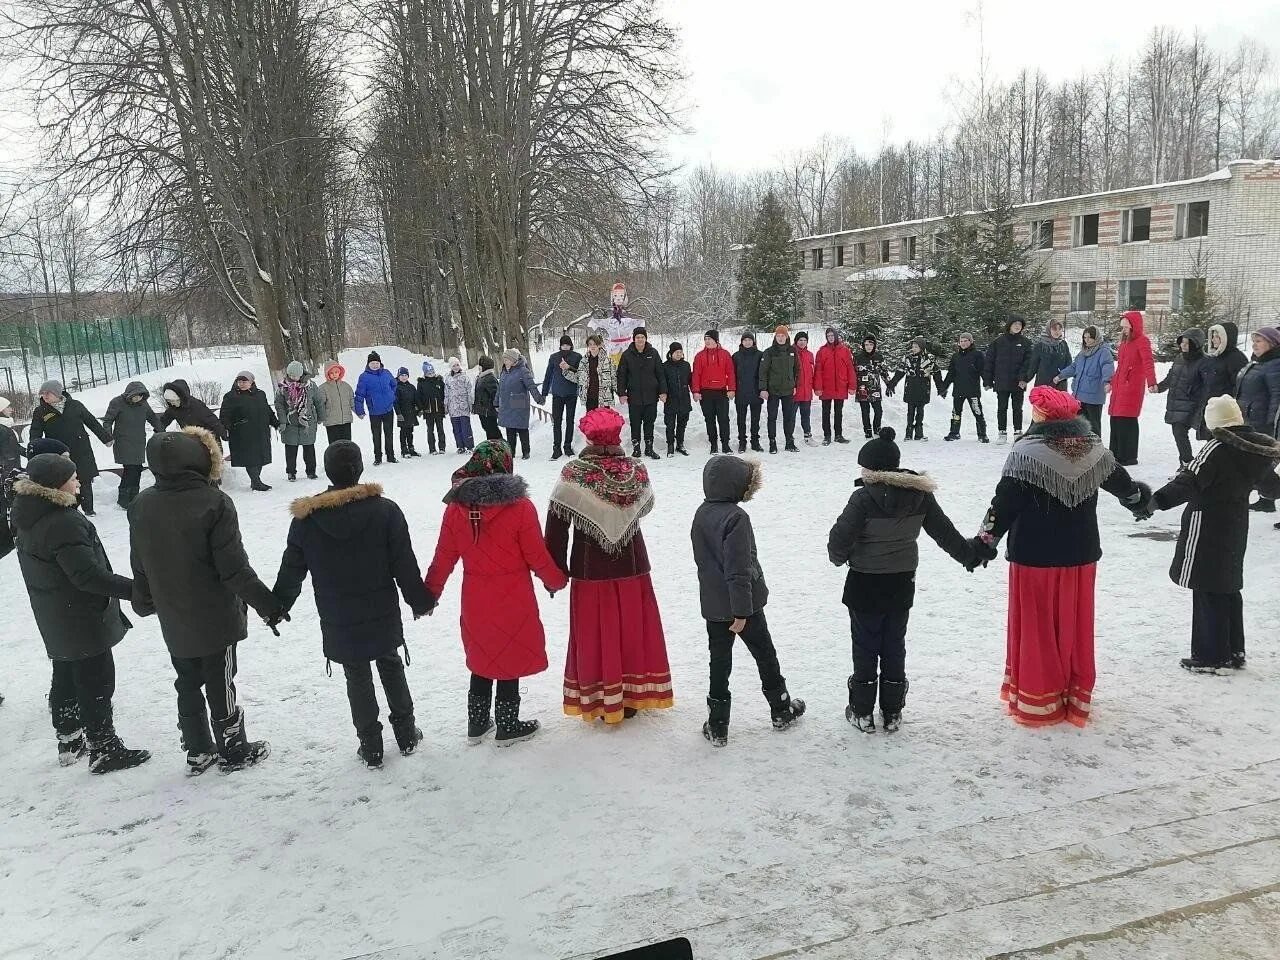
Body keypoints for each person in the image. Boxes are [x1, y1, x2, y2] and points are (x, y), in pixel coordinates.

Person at [971, 386, 1151, 728]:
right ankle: (1073, 692)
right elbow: (1124, 486)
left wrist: (984, 542)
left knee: (1037, 627)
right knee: (1075, 624)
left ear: (1041, 416)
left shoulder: (1026, 452)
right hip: (1080, 555)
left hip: (1034, 555)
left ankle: (1040, 698)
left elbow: (1004, 503)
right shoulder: (1094, 448)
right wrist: (1139, 501)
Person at [129, 427, 284, 774]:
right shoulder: (214, 502)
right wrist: (268, 604)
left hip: (173, 612)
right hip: (216, 613)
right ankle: (233, 747)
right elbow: (233, 569)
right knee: (220, 678)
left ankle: (198, 748)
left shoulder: (141, 504)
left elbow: (140, 561)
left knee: (186, 678)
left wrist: (144, 599)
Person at [272, 441, 434, 767]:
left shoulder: (307, 520)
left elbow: (292, 569)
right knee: (390, 664)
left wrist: (277, 606)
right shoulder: (385, 510)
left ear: (326, 470)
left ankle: (371, 747)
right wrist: (420, 601)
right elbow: (404, 563)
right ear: (359, 469)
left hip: (338, 614)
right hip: (381, 609)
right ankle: (406, 734)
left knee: (356, 675)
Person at [826, 427, 974, 732]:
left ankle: (862, 711)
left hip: (865, 582)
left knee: (865, 644)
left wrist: (839, 557)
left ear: (871, 468)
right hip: (901, 581)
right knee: (894, 643)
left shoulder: (863, 499)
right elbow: (945, 533)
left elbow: (839, 541)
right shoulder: (920, 497)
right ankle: (892, 712)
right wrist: (969, 556)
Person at [12, 453, 150, 773]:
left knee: (65, 672)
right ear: (56, 484)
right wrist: (138, 591)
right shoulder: (62, 520)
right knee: (96, 679)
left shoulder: (30, 514)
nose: (78, 481)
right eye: (73, 477)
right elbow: (87, 576)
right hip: (81, 615)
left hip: (55, 612)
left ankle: (69, 737)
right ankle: (104, 748)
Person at [424, 441, 568, 746]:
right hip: (513, 596)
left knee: (482, 654)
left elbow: (443, 557)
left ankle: (477, 724)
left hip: (475, 597)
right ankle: (507, 724)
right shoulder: (520, 507)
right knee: (508, 656)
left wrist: (429, 594)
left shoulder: (455, 508)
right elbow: (537, 555)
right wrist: (554, 580)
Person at [545, 408, 674, 724]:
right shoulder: (636, 471)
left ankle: (602, 696)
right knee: (632, 628)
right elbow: (644, 508)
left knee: (595, 631)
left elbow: (557, 524)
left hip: (590, 569)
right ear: (618, 437)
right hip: (632, 565)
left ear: (588, 437)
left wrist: (555, 571)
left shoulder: (573, 473)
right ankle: (631, 696)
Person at [1142, 395, 1280, 673]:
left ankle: (1211, 655)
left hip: (1206, 523)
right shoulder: (1255, 450)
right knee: (1227, 585)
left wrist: (1155, 501)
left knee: (1206, 586)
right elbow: (1273, 488)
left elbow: (1188, 481)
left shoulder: (1215, 448)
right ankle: (1233, 649)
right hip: (1236, 523)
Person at [690, 456, 806, 747]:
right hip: (744, 607)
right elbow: (738, 569)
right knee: (765, 655)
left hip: (714, 606)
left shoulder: (701, 513)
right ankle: (781, 708)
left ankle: (717, 725)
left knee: (719, 663)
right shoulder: (736, 518)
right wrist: (741, 611)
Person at [28, 380, 113, 516]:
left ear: (57, 393)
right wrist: (33, 448)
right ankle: (69, 509)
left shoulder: (75, 405)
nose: (45, 396)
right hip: (59, 452)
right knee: (63, 479)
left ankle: (88, 508)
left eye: (47, 393)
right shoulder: (40, 411)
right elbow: (35, 432)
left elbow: (92, 422)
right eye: (42, 394)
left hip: (81, 448)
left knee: (84, 478)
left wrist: (106, 438)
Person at [1236, 327, 1280, 515]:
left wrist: (1270, 425)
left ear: (1271, 344)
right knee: (1256, 463)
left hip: (1263, 423)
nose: (1254, 345)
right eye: (1253, 341)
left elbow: (1276, 396)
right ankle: (1267, 499)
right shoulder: (1257, 363)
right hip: (1249, 419)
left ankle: (1271, 493)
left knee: (1258, 464)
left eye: (1259, 341)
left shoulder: (1275, 364)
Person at [101, 381, 163, 508]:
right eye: (135, 395)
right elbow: (107, 421)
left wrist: (161, 432)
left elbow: (153, 419)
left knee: (137, 469)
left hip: (139, 441)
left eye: (140, 396)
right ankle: (124, 499)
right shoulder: (117, 402)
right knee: (130, 469)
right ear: (129, 394)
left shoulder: (143, 404)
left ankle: (133, 497)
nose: (137, 398)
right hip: (123, 441)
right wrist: (108, 436)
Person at [1107, 309, 1157, 466]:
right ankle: (1115, 454)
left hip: (1131, 387)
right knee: (1115, 420)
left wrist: (1152, 382)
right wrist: (1111, 382)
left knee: (1126, 421)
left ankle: (1128, 456)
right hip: (1120, 386)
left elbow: (1148, 362)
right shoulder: (1124, 343)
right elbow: (1120, 366)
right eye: (1123, 328)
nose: (1124, 330)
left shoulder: (1142, 341)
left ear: (1134, 326)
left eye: (1126, 327)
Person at [1156, 330, 1209, 470]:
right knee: (1178, 432)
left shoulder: (1204, 362)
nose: (1183, 346)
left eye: (1187, 343)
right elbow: (1171, 377)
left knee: (1180, 431)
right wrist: (1159, 387)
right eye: (1182, 342)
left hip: (1191, 403)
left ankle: (1188, 463)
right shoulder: (1180, 358)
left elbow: (1207, 385)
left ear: (1196, 344)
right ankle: (1186, 462)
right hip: (1176, 401)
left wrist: (1199, 400)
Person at [219, 371, 279, 491]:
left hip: (261, 432)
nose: (241, 384)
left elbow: (267, 410)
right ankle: (256, 482)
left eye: (244, 381)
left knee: (260, 457)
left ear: (252, 382)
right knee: (250, 459)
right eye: (239, 381)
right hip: (242, 433)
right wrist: (229, 428)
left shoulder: (260, 394)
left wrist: (275, 423)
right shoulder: (231, 396)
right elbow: (224, 415)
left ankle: (255, 480)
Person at [616, 327, 669, 460]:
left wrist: (663, 391)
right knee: (635, 423)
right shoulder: (627, 355)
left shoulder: (653, 353)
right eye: (637, 337)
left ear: (646, 338)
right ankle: (636, 448)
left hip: (651, 395)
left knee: (649, 422)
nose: (640, 339)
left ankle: (649, 448)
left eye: (642, 337)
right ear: (634, 339)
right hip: (634, 397)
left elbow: (660, 374)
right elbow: (621, 375)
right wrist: (622, 393)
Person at [1054, 325, 1114, 438]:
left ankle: (1095, 448)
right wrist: (1061, 375)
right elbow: (1074, 367)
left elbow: (1107, 366)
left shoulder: (1103, 352)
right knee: (1079, 425)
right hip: (1079, 396)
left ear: (1096, 338)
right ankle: (1081, 448)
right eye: (1085, 337)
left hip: (1093, 397)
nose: (1087, 340)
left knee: (1093, 426)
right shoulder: (1083, 353)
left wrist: (1107, 381)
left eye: (1090, 337)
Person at [983, 316, 1035, 442]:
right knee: (1002, 407)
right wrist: (987, 380)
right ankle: (1002, 432)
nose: (1017, 326)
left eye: (1020, 324)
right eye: (1015, 324)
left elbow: (1028, 363)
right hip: (1001, 381)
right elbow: (989, 362)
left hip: (1018, 382)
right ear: (1009, 325)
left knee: (1017, 408)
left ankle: (1018, 431)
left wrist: (1024, 379)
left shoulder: (1026, 343)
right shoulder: (998, 342)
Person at [275, 361, 325, 481]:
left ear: (301, 374)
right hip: (290, 423)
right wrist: (282, 421)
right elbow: (279, 405)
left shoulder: (311, 386)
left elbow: (318, 402)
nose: (293, 378)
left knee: (309, 449)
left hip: (307, 422)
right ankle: (291, 472)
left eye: (296, 376)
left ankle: (311, 471)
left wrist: (321, 417)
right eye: (291, 376)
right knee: (291, 450)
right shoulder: (283, 388)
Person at [886, 337, 941, 442]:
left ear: (922, 347)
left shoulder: (929, 358)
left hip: (923, 388)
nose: (914, 349)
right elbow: (899, 372)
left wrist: (941, 388)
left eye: (916, 347)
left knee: (920, 411)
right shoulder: (907, 358)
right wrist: (891, 384)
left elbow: (937, 374)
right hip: (910, 388)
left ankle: (919, 433)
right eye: (913, 346)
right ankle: (908, 433)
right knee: (910, 411)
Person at [1199, 322, 1248, 437]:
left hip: (1226, 412)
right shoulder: (1214, 357)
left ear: (1226, 338)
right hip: (1212, 408)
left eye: (1217, 336)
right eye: (1212, 336)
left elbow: (1240, 387)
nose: (1213, 339)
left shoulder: (1236, 358)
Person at [759, 325, 801, 454]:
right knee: (772, 417)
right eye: (778, 336)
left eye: (783, 336)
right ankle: (772, 442)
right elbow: (763, 372)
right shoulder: (769, 352)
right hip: (773, 390)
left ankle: (789, 442)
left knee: (788, 417)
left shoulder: (792, 351)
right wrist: (763, 388)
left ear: (787, 337)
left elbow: (797, 369)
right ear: (775, 337)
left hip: (788, 390)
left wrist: (795, 385)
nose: (781, 338)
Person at [940, 332, 989, 443]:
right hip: (958, 390)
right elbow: (951, 373)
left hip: (972, 390)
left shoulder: (977, 355)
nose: (963, 343)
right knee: (956, 412)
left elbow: (983, 370)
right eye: (961, 341)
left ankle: (982, 434)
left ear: (971, 342)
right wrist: (944, 387)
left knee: (977, 411)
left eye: (965, 341)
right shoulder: (955, 356)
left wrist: (987, 382)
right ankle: (954, 432)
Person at [354, 351, 398, 466]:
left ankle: (391, 456)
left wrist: (391, 396)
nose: (375, 365)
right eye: (372, 363)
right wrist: (360, 410)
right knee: (376, 435)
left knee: (389, 434)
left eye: (377, 363)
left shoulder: (386, 373)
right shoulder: (364, 377)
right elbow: (359, 395)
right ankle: (378, 457)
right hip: (375, 411)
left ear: (380, 363)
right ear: (368, 364)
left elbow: (394, 384)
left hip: (388, 409)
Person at [497, 348, 542, 460]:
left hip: (519, 403)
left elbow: (531, 386)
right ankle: (511, 452)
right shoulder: (503, 372)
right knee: (510, 430)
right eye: (504, 359)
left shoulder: (523, 370)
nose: (505, 361)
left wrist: (538, 398)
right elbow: (500, 389)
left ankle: (526, 451)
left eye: (507, 359)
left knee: (522, 429)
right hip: (507, 404)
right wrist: (496, 403)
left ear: (513, 360)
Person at [542, 335, 582, 460]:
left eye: (567, 345)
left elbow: (581, 373)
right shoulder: (554, 357)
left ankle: (568, 446)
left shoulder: (577, 357)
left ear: (571, 345)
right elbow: (548, 375)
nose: (565, 347)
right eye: (563, 345)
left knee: (570, 421)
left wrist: (568, 367)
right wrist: (544, 392)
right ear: (560, 345)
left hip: (571, 394)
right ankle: (556, 448)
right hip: (557, 394)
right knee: (557, 422)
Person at [813, 327, 854, 445]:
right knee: (825, 412)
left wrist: (852, 385)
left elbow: (850, 368)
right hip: (826, 387)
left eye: (832, 335)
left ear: (836, 336)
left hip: (840, 385)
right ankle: (827, 435)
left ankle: (838, 435)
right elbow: (818, 371)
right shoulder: (822, 351)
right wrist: (818, 387)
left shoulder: (845, 350)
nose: (830, 338)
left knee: (838, 412)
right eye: (828, 336)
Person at [563, 334, 616, 413]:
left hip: (604, 398)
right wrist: (566, 370)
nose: (592, 346)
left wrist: (622, 394)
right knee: (591, 422)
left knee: (604, 423)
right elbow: (578, 378)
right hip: (589, 397)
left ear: (599, 345)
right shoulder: (583, 361)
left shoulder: (608, 361)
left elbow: (614, 379)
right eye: (590, 344)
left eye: (595, 344)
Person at [160, 378, 226, 439]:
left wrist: (223, 433)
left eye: (174, 401)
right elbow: (164, 420)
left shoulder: (196, 406)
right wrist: (158, 429)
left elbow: (212, 420)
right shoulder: (173, 409)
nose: (172, 403)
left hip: (208, 438)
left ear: (180, 398)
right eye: (169, 401)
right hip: (191, 440)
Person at [732, 332, 764, 453]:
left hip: (756, 391)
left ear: (753, 341)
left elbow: (763, 373)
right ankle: (742, 442)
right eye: (745, 340)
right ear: (741, 342)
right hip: (741, 392)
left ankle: (755, 442)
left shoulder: (760, 355)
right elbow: (732, 375)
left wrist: (762, 389)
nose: (747, 342)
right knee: (741, 419)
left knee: (755, 419)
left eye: (749, 340)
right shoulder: (736, 356)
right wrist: (733, 389)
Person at [853, 336, 890, 439]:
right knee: (865, 411)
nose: (869, 347)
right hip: (862, 388)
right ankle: (867, 430)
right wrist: (851, 385)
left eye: (871, 344)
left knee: (878, 411)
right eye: (866, 345)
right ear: (863, 346)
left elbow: (884, 372)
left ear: (874, 345)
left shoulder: (879, 357)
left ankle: (877, 427)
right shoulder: (858, 357)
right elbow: (852, 373)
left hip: (875, 388)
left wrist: (889, 384)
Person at [662, 342, 693, 457]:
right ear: (671, 353)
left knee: (682, 424)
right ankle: (670, 445)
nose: (679, 354)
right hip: (671, 399)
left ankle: (680, 444)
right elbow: (662, 382)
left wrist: (695, 391)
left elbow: (690, 380)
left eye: (680, 352)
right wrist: (663, 393)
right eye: (676, 352)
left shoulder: (686, 365)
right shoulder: (665, 366)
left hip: (684, 398)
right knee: (670, 424)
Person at [444, 357, 475, 454]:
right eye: (454, 365)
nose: (456, 367)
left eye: (457, 365)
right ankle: (460, 446)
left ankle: (469, 446)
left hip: (463, 406)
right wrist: (446, 405)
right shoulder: (448, 378)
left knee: (466, 428)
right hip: (453, 408)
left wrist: (471, 404)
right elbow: (446, 393)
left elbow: (469, 391)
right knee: (456, 429)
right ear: (451, 367)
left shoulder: (465, 377)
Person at [416, 361, 448, 453]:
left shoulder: (439, 381)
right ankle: (432, 448)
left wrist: (444, 405)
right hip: (428, 410)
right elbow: (419, 396)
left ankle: (442, 447)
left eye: (432, 372)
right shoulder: (422, 383)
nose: (431, 374)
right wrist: (421, 408)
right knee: (430, 430)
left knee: (440, 429)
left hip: (439, 409)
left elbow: (444, 394)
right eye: (429, 373)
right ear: (425, 373)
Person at [319, 362, 355, 444]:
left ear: (340, 372)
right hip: (331, 422)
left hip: (345, 421)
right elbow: (320, 405)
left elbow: (352, 401)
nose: (334, 374)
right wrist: (320, 417)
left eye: (336, 372)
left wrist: (359, 412)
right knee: (334, 446)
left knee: (347, 444)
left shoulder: (346, 386)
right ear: (327, 374)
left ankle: (347, 457)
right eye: (331, 373)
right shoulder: (323, 388)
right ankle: (334, 457)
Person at [1031, 319, 1073, 389]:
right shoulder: (1040, 346)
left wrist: (1061, 376)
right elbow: (1032, 366)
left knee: (1059, 400)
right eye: (1054, 329)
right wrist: (1024, 379)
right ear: (1048, 329)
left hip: (1060, 384)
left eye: (1060, 329)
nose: (1057, 331)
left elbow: (1069, 363)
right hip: (1043, 384)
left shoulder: (1063, 344)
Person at [793, 331, 817, 445]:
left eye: (804, 340)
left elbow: (813, 373)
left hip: (807, 392)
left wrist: (815, 387)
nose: (802, 342)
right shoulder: (791, 353)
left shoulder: (810, 354)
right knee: (791, 416)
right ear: (796, 341)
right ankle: (789, 438)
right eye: (800, 340)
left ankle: (808, 436)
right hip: (794, 392)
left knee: (806, 416)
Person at [392, 366, 421, 459]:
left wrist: (419, 409)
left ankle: (411, 448)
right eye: (402, 375)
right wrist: (398, 413)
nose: (404, 377)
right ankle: (404, 450)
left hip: (411, 413)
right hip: (403, 413)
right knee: (403, 432)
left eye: (405, 375)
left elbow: (416, 399)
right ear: (398, 376)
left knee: (410, 431)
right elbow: (395, 402)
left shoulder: (411, 387)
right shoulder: (396, 387)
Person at [472, 356, 502, 441]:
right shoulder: (481, 377)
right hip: (483, 410)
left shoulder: (490, 378)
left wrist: (496, 406)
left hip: (489, 411)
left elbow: (495, 394)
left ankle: (500, 447)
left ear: (484, 367)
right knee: (487, 429)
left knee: (492, 430)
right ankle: (492, 447)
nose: (479, 367)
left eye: (480, 366)